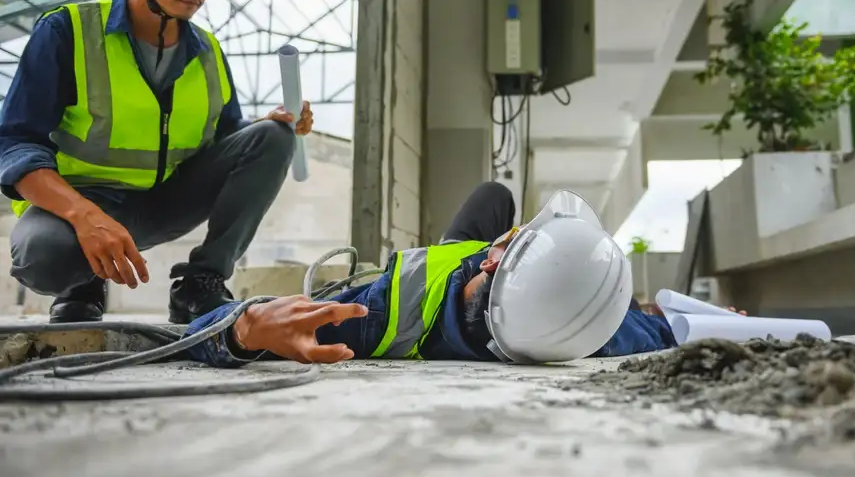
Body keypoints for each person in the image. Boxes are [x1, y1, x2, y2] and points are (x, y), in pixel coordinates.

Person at [0, 0, 312, 325]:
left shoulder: (208, 53)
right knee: (43, 257)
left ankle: (199, 284)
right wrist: (85, 215)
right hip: (79, 207)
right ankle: (81, 284)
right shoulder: (67, 33)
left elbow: (226, 141)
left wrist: (269, 125)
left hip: (164, 203)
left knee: (273, 136)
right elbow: (14, 143)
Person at [183, 182, 681, 367]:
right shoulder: (580, 334)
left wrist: (245, 329)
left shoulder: (371, 318)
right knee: (494, 198)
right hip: (471, 287)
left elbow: (196, 334)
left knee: (493, 195)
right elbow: (654, 329)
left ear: (492, 258)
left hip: (443, 278)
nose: (509, 233)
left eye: (516, 237)